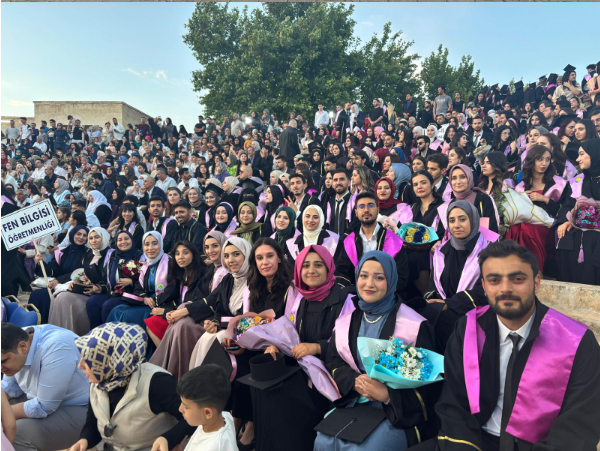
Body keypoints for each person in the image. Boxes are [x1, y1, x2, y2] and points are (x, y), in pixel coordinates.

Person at [430, 240, 600, 451]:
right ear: (484, 286)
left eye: (517, 279)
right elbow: (454, 404)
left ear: (536, 282)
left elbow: (579, 423)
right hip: (476, 441)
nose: (506, 289)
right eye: (494, 280)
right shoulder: (467, 330)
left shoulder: (577, 341)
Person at [314, 251, 439, 450]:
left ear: (392, 281)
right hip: (355, 400)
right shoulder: (347, 320)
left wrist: (388, 395)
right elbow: (334, 361)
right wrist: (354, 381)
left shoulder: (413, 325)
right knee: (323, 440)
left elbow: (430, 388)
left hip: (396, 410)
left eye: (379, 278)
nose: (369, 284)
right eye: (364, 276)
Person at [247, 245, 352, 451]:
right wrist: (277, 345)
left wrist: (318, 347)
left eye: (318, 265)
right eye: (305, 265)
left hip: (329, 372)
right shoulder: (302, 299)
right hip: (302, 366)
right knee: (262, 386)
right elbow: (291, 332)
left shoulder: (343, 300)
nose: (311, 270)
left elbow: (348, 342)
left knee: (283, 400)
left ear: (328, 267)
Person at [71, 323, 194, 451]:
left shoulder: (157, 383)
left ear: (110, 360)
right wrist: (85, 439)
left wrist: (169, 439)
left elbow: (193, 418)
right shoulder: (102, 380)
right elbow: (93, 423)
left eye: (88, 360)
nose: (80, 365)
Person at [150, 238, 251, 380]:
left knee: (191, 328)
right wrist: (215, 323)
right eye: (227, 256)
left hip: (239, 328)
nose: (230, 260)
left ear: (247, 254)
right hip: (219, 321)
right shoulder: (229, 278)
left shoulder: (253, 279)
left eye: (236, 254)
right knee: (196, 330)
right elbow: (215, 303)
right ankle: (176, 373)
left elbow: (248, 314)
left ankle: (190, 378)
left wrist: (217, 323)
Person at [1, 323, 89, 451]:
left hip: (82, 409)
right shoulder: (18, 339)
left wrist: (5, 413)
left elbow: (44, 406)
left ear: (23, 347)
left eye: (3, 361)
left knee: (15, 433)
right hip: (45, 400)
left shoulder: (57, 347)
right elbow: (10, 385)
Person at [425, 200, 498, 350]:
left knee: (446, 321)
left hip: (477, 310)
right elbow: (433, 284)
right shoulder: (442, 251)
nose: (456, 225)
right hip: (445, 308)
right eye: (452, 221)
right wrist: (431, 300)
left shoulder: (489, 250)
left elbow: (487, 289)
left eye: (462, 219)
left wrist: (450, 304)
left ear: (473, 220)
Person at [505, 145, 566, 274]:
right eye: (540, 159)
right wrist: (522, 198)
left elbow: (564, 211)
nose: (544, 163)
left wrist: (545, 199)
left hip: (550, 226)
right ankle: (515, 269)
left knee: (528, 229)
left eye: (548, 159)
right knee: (514, 229)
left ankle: (536, 271)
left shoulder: (559, 184)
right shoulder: (521, 186)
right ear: (531, 161)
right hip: (526, 225)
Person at [336, 191, 408, 295]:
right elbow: (342, 270)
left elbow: (401, 275)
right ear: (356, 212)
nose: (366, 210)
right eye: (361, 206)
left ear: (378, 210)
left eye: (370, 206)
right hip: (356, 293)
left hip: (385, 294)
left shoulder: (394, 241)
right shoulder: (349, 241)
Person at [48, 227, 111, 336]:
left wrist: (99, 287)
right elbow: (84, 275)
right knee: (58, 295)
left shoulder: (110, 254)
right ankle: (59, 335)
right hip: (86, 289)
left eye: (97, 237)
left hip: (101, 291)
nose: (94, 240)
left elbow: (109, 278)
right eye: (91, 238)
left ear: (104, 238)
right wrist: (77, 283)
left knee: (64, 298)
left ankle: (74, 334)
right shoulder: (91, 254)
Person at [555, 139, 600, 285]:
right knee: (565, 236)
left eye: (582, 154)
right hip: (580, 227)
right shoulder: (578, 181)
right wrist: (565, 221)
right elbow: (568, 205)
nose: (578, 159)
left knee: (591, 238)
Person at [105, 232, 171, 330]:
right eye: (147, 244)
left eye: (154, 243)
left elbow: (172, 290)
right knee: (117, 310)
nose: (150, 248)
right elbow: (138, 288)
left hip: (164, 303)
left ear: (161, 244)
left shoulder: (169, 263)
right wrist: (145, 298)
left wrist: (154, 300)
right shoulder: (146, 265)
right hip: (147, 302)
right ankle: (110, 337)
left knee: (126, 313)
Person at [166, 365, 237, 451]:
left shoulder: (213, 447)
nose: (180, 409)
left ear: (207, 413)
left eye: (186, 406)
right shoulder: (225, 417)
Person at [28, 225, 89, 324]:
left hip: (73, 286)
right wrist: (40, 262)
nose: (81, 237)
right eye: (78, 234)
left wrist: (59, 280)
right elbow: (53, 270)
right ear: (72, 235)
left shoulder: (88, 253)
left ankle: (47, 324)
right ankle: (35, 324)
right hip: (58, 285)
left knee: (45, 297)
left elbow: (81, 272)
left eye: (85, 235)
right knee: (37, 294)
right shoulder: (63, 252)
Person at [85, 230, 144, 329]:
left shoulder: (139, 256)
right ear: (116, 242)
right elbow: (105, 278)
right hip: (113, 293)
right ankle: (95, 332)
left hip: (130, 295)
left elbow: (145, 278)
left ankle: (108, 334)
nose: (123, 242)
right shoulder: (113, 257)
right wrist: (101, 288)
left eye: (126, 239)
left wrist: (131, 282)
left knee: (108, 305)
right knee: (92, 302)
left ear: (132, 240)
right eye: (120, 240)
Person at [443, 164, 499, 233]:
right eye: (454, 178)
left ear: (470, 178)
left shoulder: (482, 199)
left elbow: (492, 230)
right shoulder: (450, 204)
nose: (458, 182)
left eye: (463, 177)